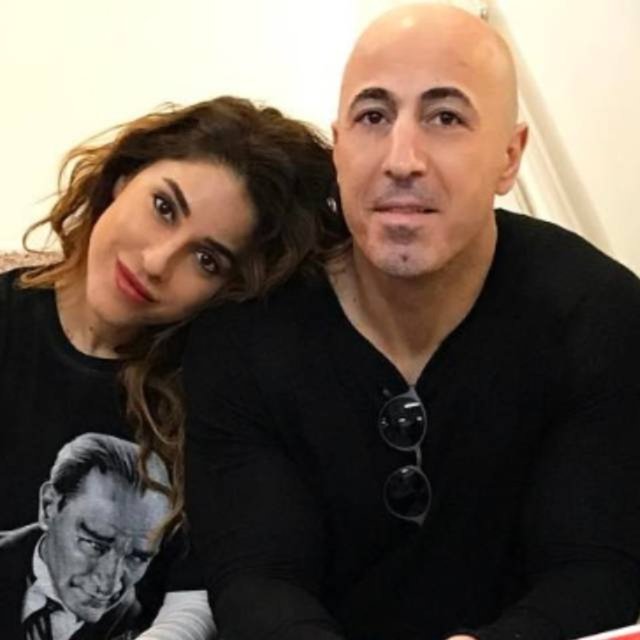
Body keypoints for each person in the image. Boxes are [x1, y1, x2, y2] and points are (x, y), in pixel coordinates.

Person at [182, 5, 640, 640]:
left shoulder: (598, 314)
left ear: (509, 157)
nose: (402, 159)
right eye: (373, 116)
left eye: (445, 117)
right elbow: (258, 579)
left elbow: (595, 570)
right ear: (339, 148)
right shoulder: (244, 331)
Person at [0, 95, 336, 639]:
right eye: (163, 207)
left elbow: (196, 600)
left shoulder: (216, 397)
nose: (156, 262)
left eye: (206, 259)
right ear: (122, 179)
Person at [0, 434, 171, 639]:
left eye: (137, 557)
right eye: (94, 544)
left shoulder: (148, 624)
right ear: (49, 507)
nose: (109, 585)